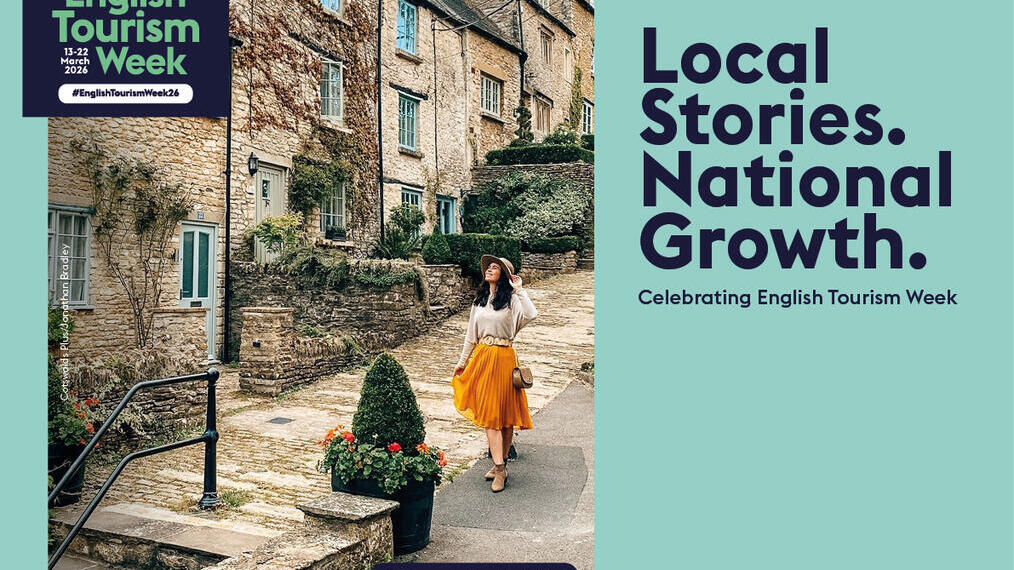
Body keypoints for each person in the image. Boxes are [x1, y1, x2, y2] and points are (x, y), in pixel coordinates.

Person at [452, 254, 537, 492]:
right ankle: (499, 468)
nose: (489, 269)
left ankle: (502, 463)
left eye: (495, 267)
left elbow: (531, 314)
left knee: (507, 417)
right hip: (482, 358)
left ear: (504, 276)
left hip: (504, 357)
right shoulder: (479, 301)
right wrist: (462, 362)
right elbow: (471, 336)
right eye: (488, 267)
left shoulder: (512, 300)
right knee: (491, 416)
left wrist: (519, 289)